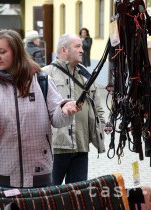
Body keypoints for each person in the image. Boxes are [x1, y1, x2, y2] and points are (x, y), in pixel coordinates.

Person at [0, 29, 81, 188]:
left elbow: (56, 118)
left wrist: (64, 110)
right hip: (4, 170)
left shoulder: (42, 80)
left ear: (16, 52)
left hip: (39, 169)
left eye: (2, 52)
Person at [42, 33, 105, 185]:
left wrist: (100, 126)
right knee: (50, 195)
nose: (82, 50)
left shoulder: (85, 75)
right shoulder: (45, 75)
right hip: (56, 149)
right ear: (64, 50)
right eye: (77, 46)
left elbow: (98, 107)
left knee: (77, 197)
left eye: (82, 46)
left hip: (81, 147)